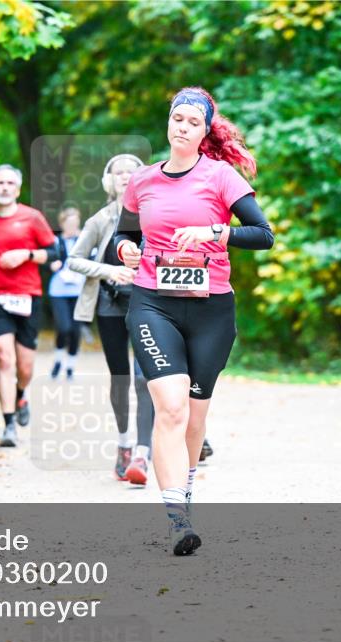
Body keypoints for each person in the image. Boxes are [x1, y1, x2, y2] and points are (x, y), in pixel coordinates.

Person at [114, 87, 274, 555]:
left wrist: (214, 232)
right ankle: (176, 517)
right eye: (176, 118)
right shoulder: (142, 181)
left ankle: (185, 488)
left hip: (211, 310)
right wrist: (125, 249)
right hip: (153, 303)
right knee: (171, 406)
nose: (181, 127)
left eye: (192, 122)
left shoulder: (221, 177)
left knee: (194, 417)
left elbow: (263, 235)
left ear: (204, 132)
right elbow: (124, 236)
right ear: (168, 123)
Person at [66, 154, 155, 485]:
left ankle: (145, 450)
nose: (125, 176)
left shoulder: (154, 214)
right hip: (110, 305)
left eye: (132, 171)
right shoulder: (101, 219)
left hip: (149, 304)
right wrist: (110, 271)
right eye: (118, 172)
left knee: (146, 379)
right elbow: (74, 259)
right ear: (109, 180)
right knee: (120, 379)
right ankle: (124, 445)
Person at [0, 164, 57, 447]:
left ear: (17, 189)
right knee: (4, 358)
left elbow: (55, 252)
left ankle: (21, 394)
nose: (4, 187)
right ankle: (8, 426)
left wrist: (26, 255)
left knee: (25, 367)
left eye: (9, 183)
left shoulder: (32, 218)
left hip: (28, 295)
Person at [48, 206, 86, 381]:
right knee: (64, 328)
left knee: (76, 331)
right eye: (69, 223)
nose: (72, 226)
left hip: (78, 289)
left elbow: (93, 259)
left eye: (75, 223)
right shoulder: (55, 241)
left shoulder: (84, 239)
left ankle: (70, 366)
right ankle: (57, 361)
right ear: (62, 223)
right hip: (59, 290)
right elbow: (46, 258)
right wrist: (51, 265)